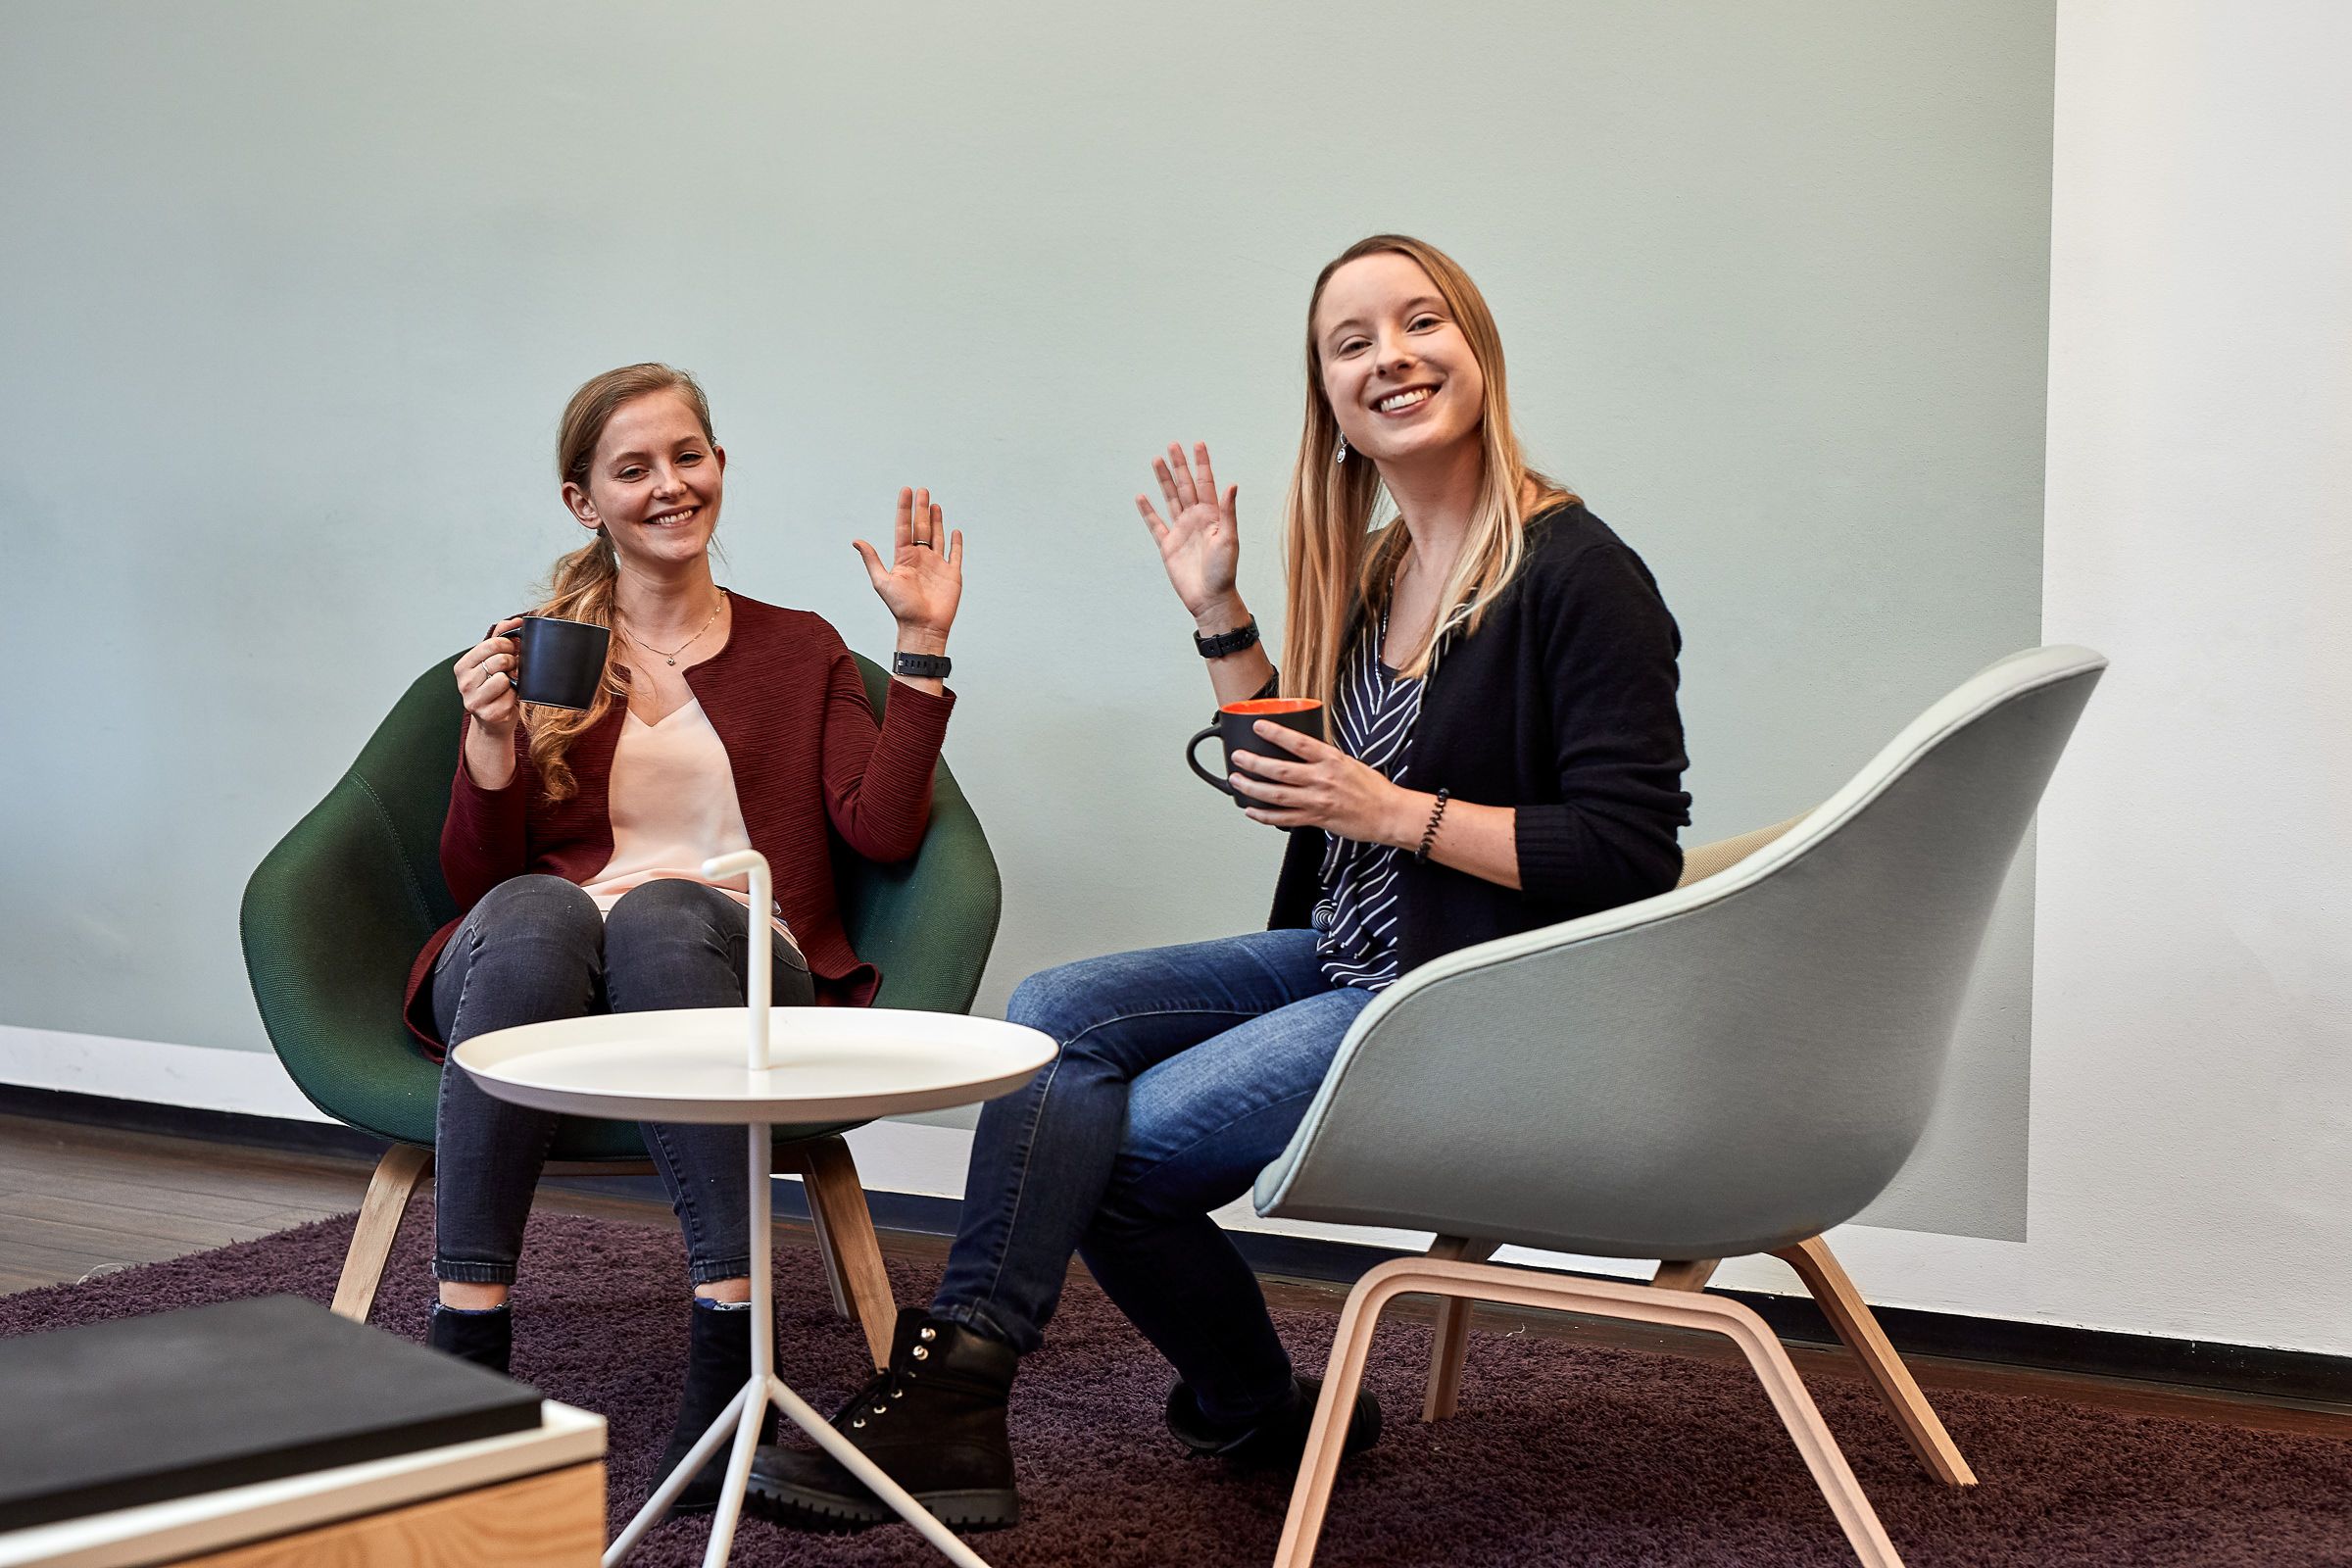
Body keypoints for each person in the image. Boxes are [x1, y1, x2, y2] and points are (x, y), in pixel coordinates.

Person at [747, 235, 1691, 1533]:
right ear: (1331, 402)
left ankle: (1067, 1396)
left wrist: (1397, 813)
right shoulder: (1381, 568)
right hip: (1355, 948)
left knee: (1111, 1155)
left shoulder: (1580, 575)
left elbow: (1631, 853)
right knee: (1051, 1015)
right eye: (1352, 343)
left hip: (1457, 994)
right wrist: (1220, 611)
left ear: (1480, 350)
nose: (1392, 358)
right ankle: (1058, 1389)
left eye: (1423, 325)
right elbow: (1313, 774)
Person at [407, 362, 968, 1512]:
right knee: (536, 905)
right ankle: (467, 1348)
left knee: (667, 910)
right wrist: (490, 742)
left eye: (689, 457)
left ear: (719, 466)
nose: (671, 486)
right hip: (546, 960)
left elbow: (883, 828)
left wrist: (917, 650)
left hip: (731, 953)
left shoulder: (797, 647)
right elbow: (477, 880)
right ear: (584, 501)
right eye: (634, 468)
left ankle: (729, 1345)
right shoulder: (542, 648)